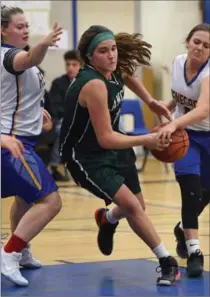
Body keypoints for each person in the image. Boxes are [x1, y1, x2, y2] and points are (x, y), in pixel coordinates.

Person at [60, 25, 180, 286]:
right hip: (84, 155)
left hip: (111, 144)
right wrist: (147, 139)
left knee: (137, 206)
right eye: (104, 51)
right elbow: (105, 138)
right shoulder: (92, 84)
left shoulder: (113, 68)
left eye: (113, 49)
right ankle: (167, 261)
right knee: (133, 206)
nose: (112, 55)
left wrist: (150, 101)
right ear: (90, 57)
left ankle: (107, 219)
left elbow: (126, 74)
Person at [1, 5, 63, 286]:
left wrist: (37, 111)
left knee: (25, 198)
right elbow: (26, 59)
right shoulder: (9, 56)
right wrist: (44, 43)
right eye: (19, 26)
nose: (25, 29)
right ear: (3, 31)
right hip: (11, 144)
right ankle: (9, 252)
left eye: (27, 25)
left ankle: (22, 250)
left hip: (21, 138)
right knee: (50, 201)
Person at [158, 23, 210, 278]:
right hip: (186, 136)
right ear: (187, 41)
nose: (200, 47)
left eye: (207, 45)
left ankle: (182, 229)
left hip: (206, 133)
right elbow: (181, 98)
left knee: (206, 191)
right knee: (190, 190)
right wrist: (165, 108)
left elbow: (202, 110)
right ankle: (195, 252)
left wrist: (173, 122)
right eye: (196, 41)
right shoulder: (178, 62)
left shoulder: (209, 73)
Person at [49, 50, 82, 181]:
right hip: (64, 119)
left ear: (81, 66)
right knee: (64, 129)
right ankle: (54, 166)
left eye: (74, 65)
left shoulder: (87, 83)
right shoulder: (58, 83)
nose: (70, 68)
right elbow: (56, 107)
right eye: (68, 65)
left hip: (84, 120)